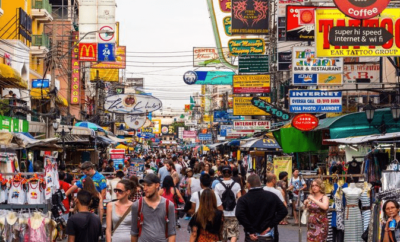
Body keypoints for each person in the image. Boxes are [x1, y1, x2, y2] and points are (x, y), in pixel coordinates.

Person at [236, 174, 288, 242]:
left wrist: (250, 229)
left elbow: (239, 214)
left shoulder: (243, 199)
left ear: (248, 185)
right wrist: (271, 225)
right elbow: (284, 210)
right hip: (267, 235)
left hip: (251, 236)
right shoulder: (271, 196)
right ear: (260, 183)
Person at [130, 174, 176, 242]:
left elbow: (172, 233)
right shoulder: (137, 205)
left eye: (148, 185)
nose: (145, 188)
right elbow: (134, 232)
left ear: (157, 185)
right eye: (144, 185)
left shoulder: (168, 205)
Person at [214, 166, 241, 242]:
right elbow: (239, 198)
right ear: (231, 174)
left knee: (223, 235)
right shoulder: (236, 185)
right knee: (234, 234)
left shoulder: (218, 186)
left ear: (222, 174)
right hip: (233, 213)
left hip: (222, 213)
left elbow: (216, 200)